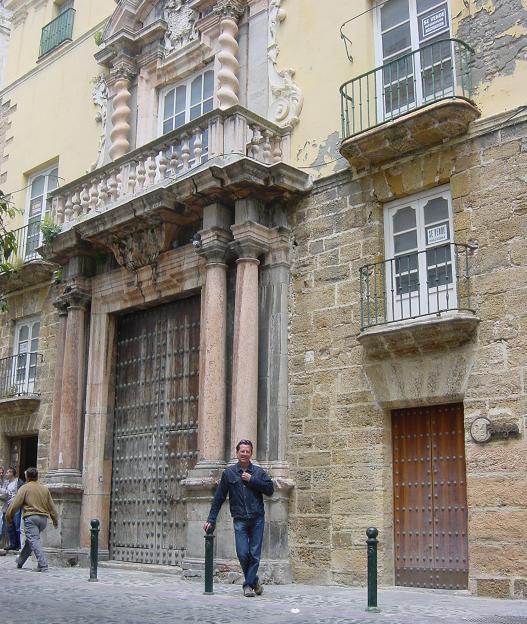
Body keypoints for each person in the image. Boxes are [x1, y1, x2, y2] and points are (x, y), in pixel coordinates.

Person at [203, 439, 274, 597]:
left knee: (254, 554)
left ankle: (247, 586)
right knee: (242, 553)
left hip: (257, 518)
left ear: (251, 453)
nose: (244, 454)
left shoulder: (258, 472)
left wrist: (252, 480)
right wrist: (211, 519)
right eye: (242, 451)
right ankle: (254, 581)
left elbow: (270, 490)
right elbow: (219, 497)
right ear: (237, 453)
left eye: (247, 451)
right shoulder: (229, 473)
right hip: (240, 519)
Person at [6, 467, 58, 572]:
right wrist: (55, 519)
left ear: (27, 477)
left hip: (31, 518)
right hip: (43, 519)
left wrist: (9, 516)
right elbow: (51, 506)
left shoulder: (25, 488)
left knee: (34, 540)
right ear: (37, 477)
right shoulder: (44, 489)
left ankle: (43, 565)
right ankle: (20, 561)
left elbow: (15, 504)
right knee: (31, 540)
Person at [4, 467, 22, 551]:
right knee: (9, 525)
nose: (6, 474)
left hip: (16, 506)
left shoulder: (18, 482)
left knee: (17, 525)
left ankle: (19, 544)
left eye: (8, 472)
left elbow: (21, 493)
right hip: (8, 506)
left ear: (12, 473)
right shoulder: (7, 483)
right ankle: (13, 544)